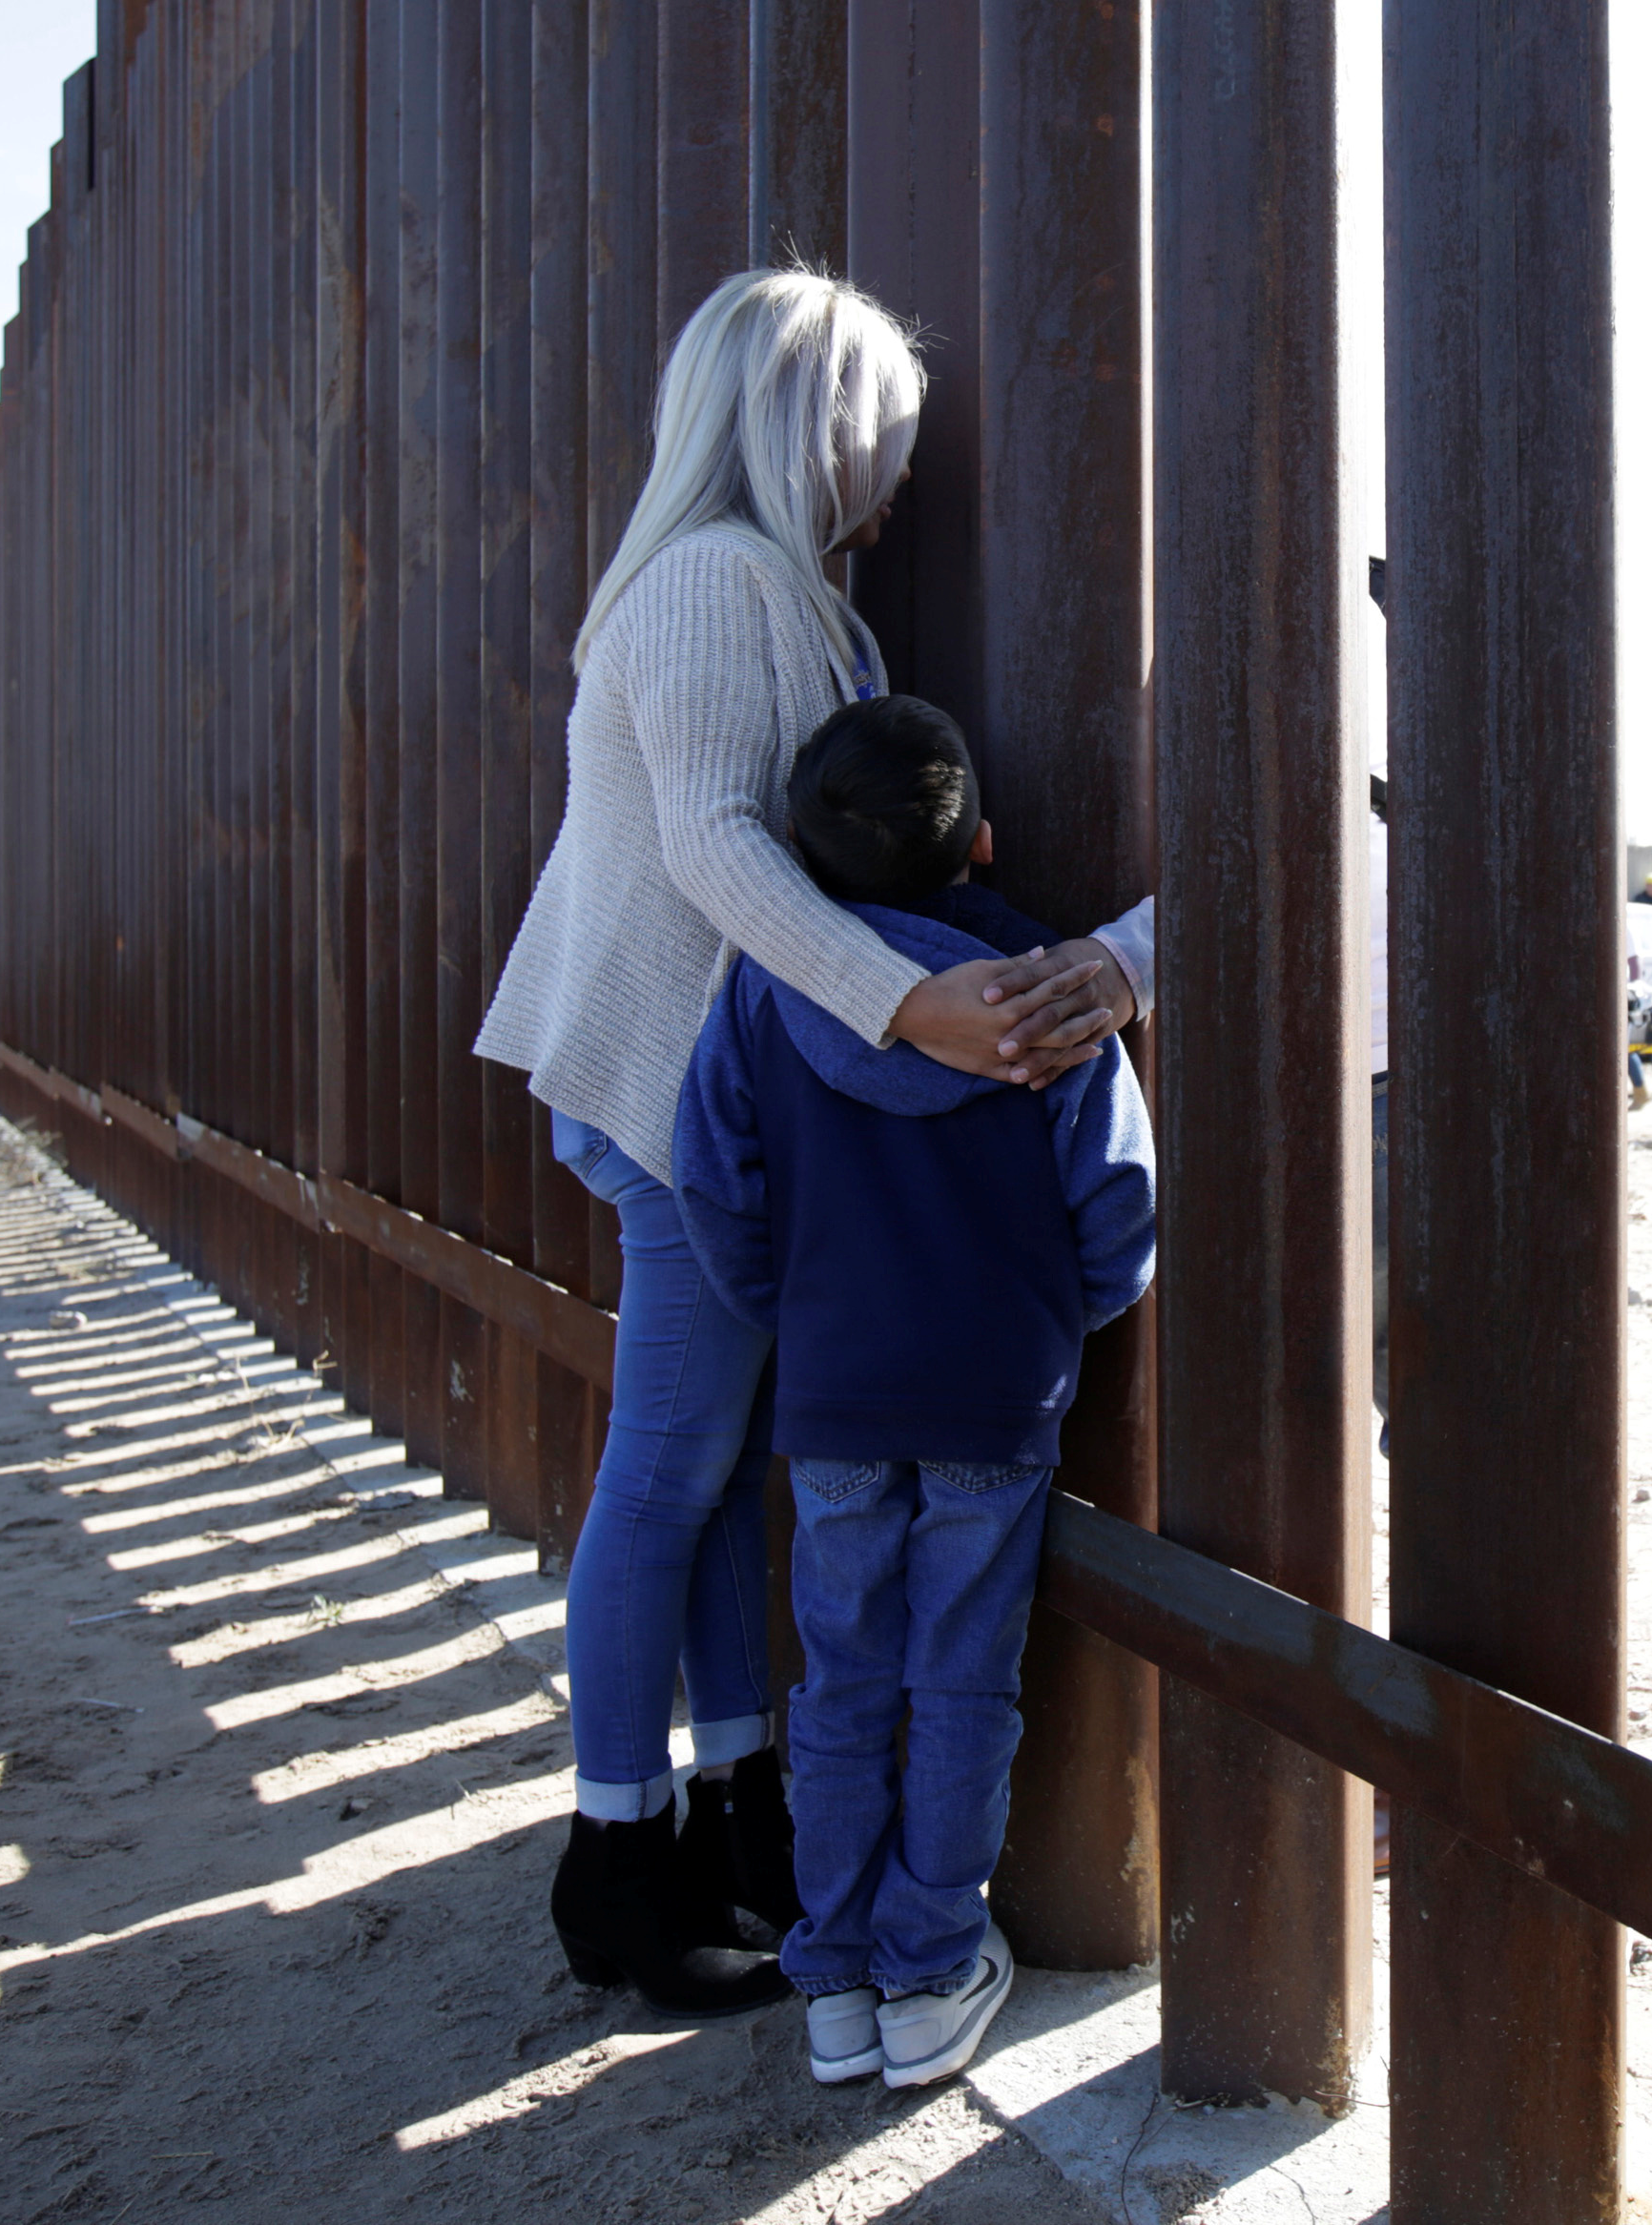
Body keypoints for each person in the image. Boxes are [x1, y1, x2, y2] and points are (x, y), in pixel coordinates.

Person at [473, 269, 1148, 2016]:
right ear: (812, 420)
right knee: (666, 1476)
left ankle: (731, 1808)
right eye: (887, 435)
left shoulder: (785, 594)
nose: (903, 476)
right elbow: (712, 842)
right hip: (665, 1082)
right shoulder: (713, 586)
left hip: (720, 1090)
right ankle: (615, 1861)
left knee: (708, 1480)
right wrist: (905, 1005)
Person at [671, 695, 1157, 2089]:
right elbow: (1117, 1204)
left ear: (803, 870)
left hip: (833, 1389)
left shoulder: (770, 987)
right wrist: (1060, 1317)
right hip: (995, 1397)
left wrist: (797, 1313)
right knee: (960, 1683)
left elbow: (717, 1182)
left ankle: (833, 1981)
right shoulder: (1047, 993)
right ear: (983, 846)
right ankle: (933, 1966)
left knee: (838, 1681)